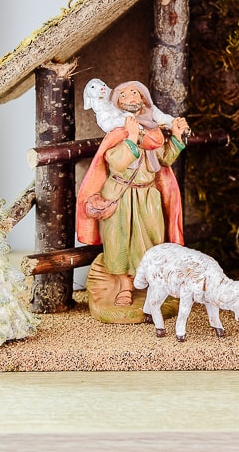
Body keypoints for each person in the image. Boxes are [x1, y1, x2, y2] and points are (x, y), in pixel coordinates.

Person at [76, 81, 190, 308]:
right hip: (120, 194)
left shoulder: (154, 131)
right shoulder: (117, 130)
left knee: (152, 242)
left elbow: (164, 160)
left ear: (144, 98)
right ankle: (125, 287)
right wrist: (131, 137)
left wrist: (176, 137)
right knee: (120, 243)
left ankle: (151, 287)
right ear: (117, 102)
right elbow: (116, 162)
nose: (131, 97)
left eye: (135, 93)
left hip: (148, 196)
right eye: (124, 95)